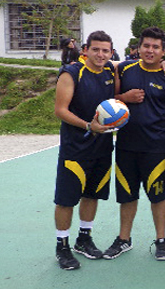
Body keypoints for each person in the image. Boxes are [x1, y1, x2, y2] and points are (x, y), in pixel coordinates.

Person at [102, 27, 165, 261]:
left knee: (158, 195)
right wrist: (123, 98)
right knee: (127, 195)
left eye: (155, 47)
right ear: (138, 48)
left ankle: (160, 240)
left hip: (156, 146)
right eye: (146, 46)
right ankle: (124, 239)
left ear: (163, 51)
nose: (150, 50)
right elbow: (110, 99)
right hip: (126, 144)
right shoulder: (124, 68)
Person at [52, 30, 116, 270]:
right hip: (75, 148)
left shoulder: (110, 71)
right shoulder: (71, 73)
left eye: (105, 50)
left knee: (93, 194)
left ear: (111, 53)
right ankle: (62, 245)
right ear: (85, 50)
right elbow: (61, 110)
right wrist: (88, 125)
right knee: (67, 199)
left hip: (102, 147)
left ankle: (84, 239)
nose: (100, 54)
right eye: (96, 49)